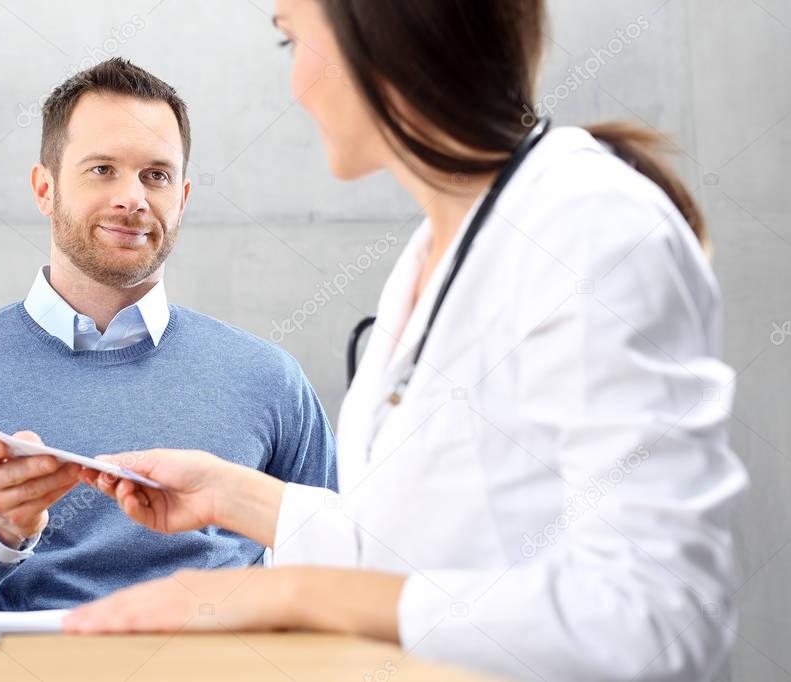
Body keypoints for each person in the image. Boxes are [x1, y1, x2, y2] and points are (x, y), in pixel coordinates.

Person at [63, 3, 747, 681]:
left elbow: (660, 618)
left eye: (290, 42)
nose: (294, 83)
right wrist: (238, 499)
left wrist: (297, 595)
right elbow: (431, 552)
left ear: (381, 35)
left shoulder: (590, 227)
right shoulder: (431, 251)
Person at [0, 58, 336, 614]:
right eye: (102, 169)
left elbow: (348, 580)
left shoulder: (269, 380)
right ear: (44, 188)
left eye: (157, 175)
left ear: (184, 198)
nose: (133, 198)